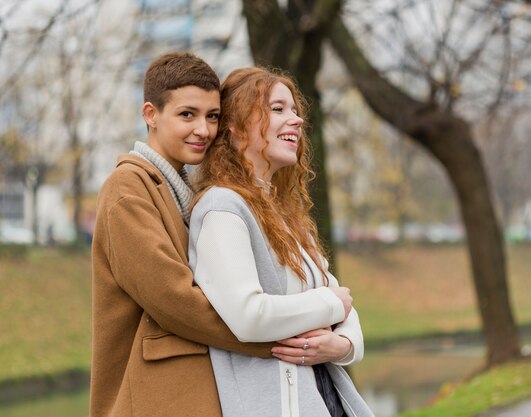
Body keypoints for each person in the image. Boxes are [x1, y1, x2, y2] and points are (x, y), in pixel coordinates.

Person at [90, 52, 353, 417]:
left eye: (212, 116)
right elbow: (176, 302)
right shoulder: (127, 190)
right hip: (153, 396)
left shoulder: (181, 188)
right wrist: (285, 337)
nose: (203, 130)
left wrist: (333, 338)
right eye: (187, 114)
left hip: (189, 390)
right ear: (150, 114)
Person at [188, 67, 374, 417]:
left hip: (324, 399)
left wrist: (342, 344)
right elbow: (248, 316)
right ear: (236, 126)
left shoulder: (283, 212)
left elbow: (344, 307)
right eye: (278, 109)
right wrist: (331, 303)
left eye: (294, 109)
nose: (297, 120)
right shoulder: (223, 208)